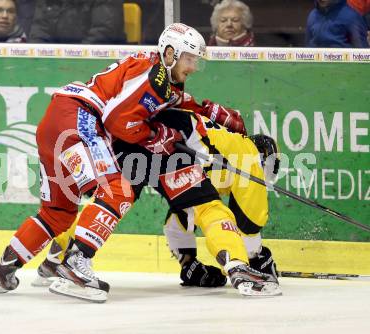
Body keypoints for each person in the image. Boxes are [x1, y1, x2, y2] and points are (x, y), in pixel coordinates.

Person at [0, 23, 279, 301]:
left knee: (57, 214)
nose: (194, 66)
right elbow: (116, 118)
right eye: (190, 58)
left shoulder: (159, 75)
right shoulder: (155, 76)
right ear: (171, 53)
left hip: (57, 122)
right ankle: (74, 264)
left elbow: (164, 101)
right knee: (117, 190)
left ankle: (1, 272)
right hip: (80, 118)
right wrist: (153, 134)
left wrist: (209, 110)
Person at [33, 109, 279, 291]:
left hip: (142, 138)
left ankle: (56, 257)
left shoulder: (224, 141)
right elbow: (250, 219)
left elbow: (178, 219)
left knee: (113, 200)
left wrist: (188, 262)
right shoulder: (248, 156)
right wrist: (255, 255)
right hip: (172, 148)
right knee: (209, 208)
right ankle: (237, 268)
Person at [28, 0, 126, 44]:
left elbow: (104, 31)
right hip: (57, 59)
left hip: (98, 59)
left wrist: (75, 55)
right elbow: (40, 30)